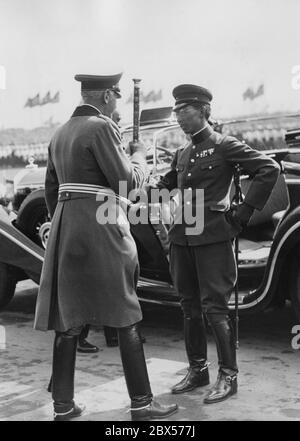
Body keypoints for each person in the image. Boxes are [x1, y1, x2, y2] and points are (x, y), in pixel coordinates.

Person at [34, 72, 178, 421]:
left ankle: (63, 407)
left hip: (68, 231)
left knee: (68, 320)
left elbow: (52, 190)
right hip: (103, 228)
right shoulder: (101, 127)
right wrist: (139, 156)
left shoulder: (60, 133)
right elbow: (127, 182)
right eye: (116, 95)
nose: (119, 102)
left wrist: (68, 222)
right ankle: (142, 403)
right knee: (126, 313)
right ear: (105, 96)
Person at [155, 84, 280, 404]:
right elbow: (172, 182)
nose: (180, 117)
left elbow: (268, 168)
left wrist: (241, 215)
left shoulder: (224, 145)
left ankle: (229, 375)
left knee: (216, 309)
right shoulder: (183, 153)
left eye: (186, 111)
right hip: (182, 239)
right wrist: (158, 182)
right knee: (188, 307)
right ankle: (198, 369)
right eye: (177, 111)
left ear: (203, 111)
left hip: (213, 238)